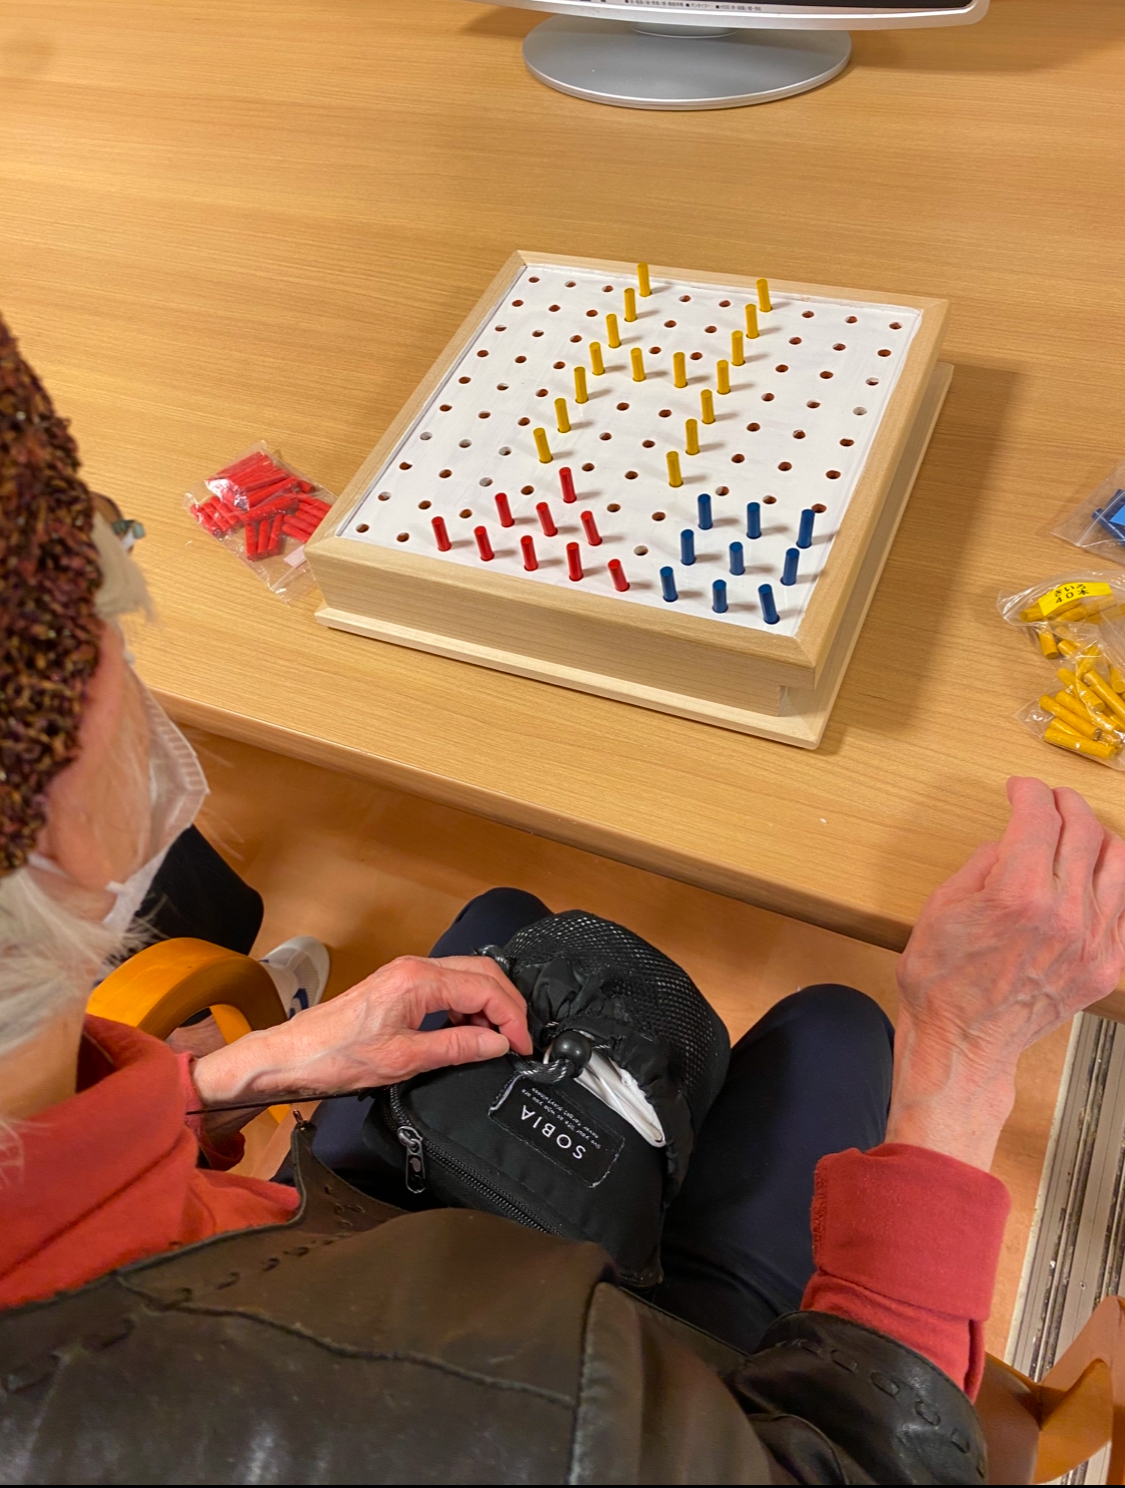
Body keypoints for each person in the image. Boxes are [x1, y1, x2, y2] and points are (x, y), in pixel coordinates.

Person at [3, 309, 1125, 1484]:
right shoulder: (408, 1426)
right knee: (845, 1027)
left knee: (505, 927)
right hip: (599, 1375)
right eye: (114, 611)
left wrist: (233, 1079)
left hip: (327, 1237)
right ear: (66, 811)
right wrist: (966, 1061)